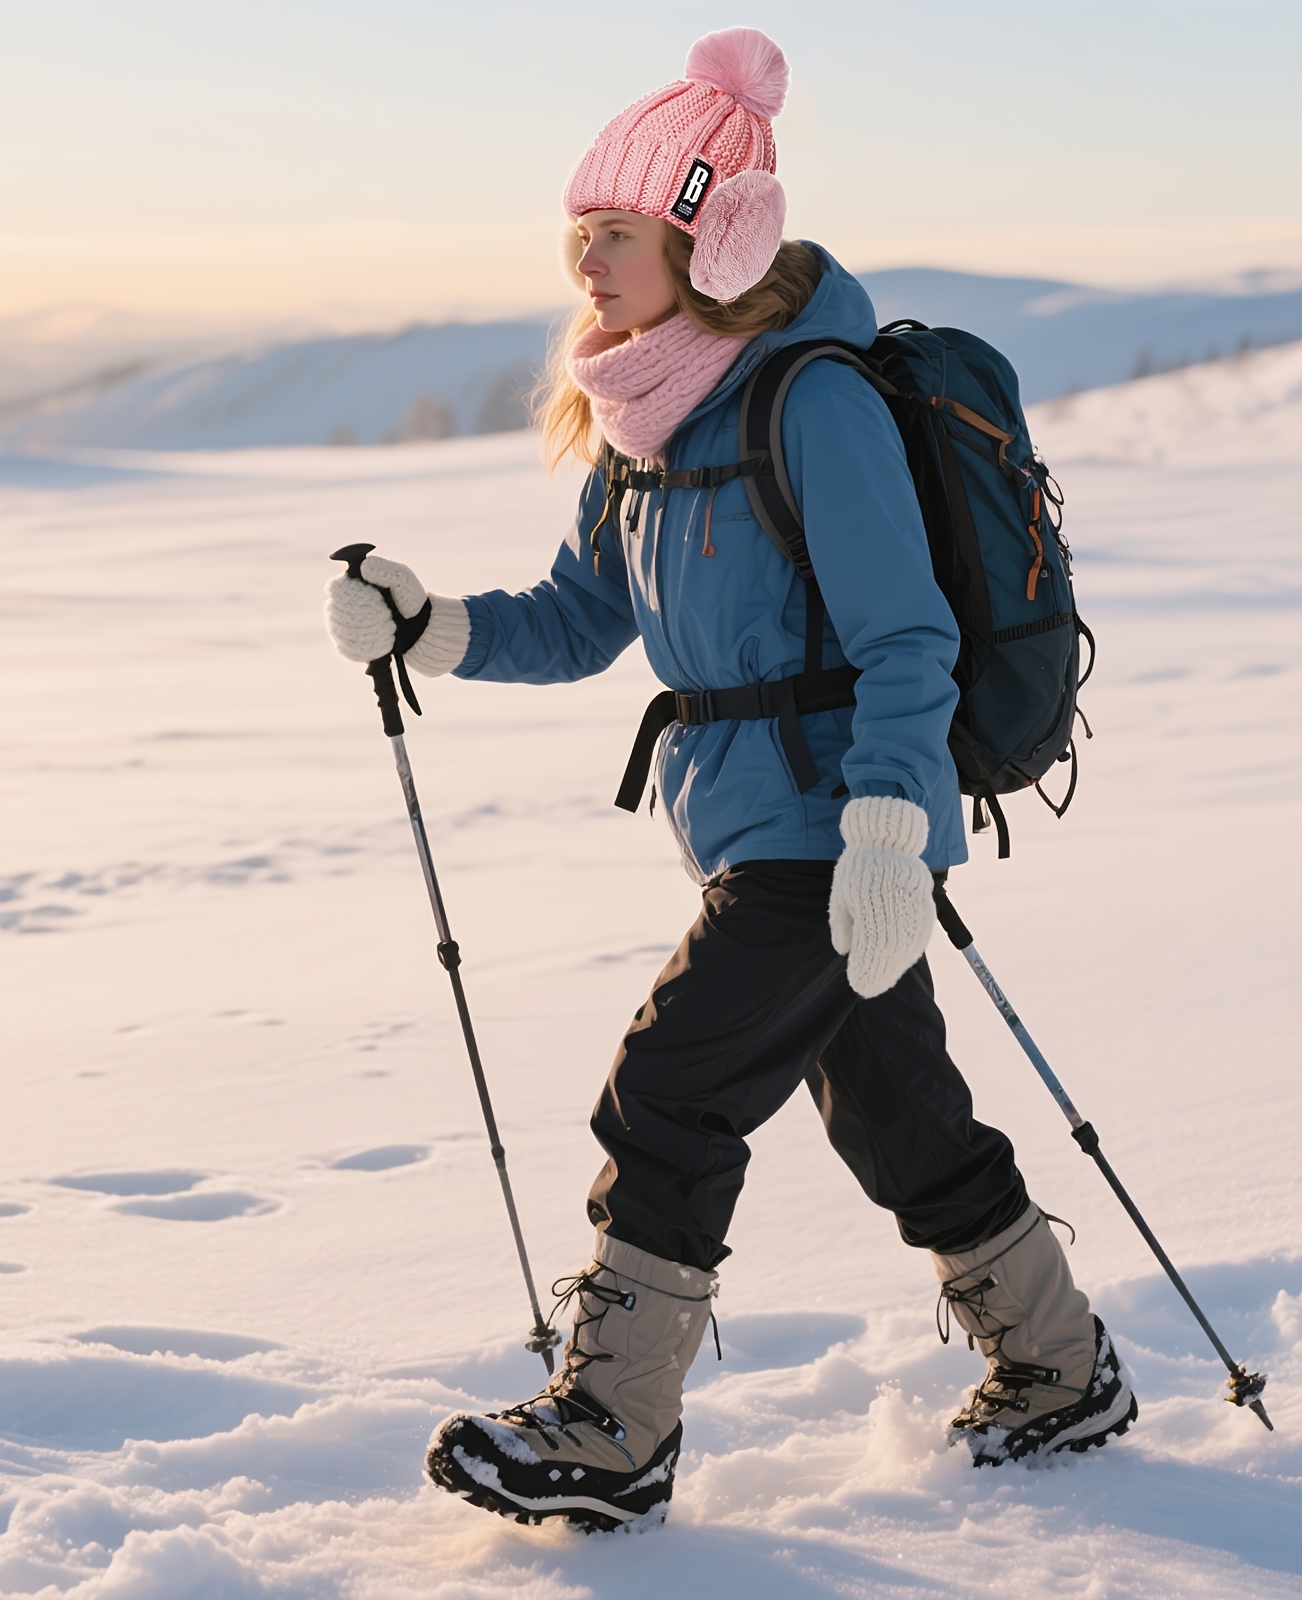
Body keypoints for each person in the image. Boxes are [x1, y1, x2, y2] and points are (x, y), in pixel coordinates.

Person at [325, 27, 1135, 1531]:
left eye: (616, 233)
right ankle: (1063, 1371)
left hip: (840, 832)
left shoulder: (810, 399)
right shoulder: (642, 419)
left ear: (714, 235)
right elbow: (581, 622)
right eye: (578, 236)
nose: (587, 264)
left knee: (670, 1088)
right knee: (901, 1123)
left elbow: (907, 635)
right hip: (753, 830)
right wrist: (432, 629)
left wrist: (894, 832)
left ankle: (612, 1425)